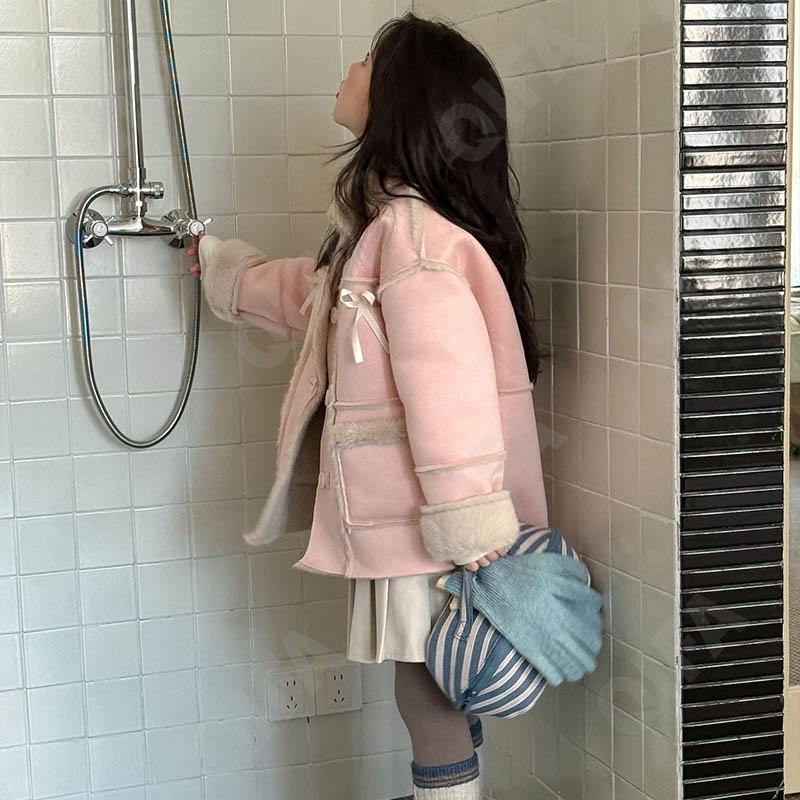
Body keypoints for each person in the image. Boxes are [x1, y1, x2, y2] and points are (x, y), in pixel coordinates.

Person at [186, 12, 547, 800]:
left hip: (432, 526)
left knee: (429, 688)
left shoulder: (412, 240)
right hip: (419, 520)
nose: (348, 69)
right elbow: (313, 299)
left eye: (366, 62)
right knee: (441, 677)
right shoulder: (386, 229)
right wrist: (223, 271)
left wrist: (471, 532)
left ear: (398, 100)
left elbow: (447, 394)